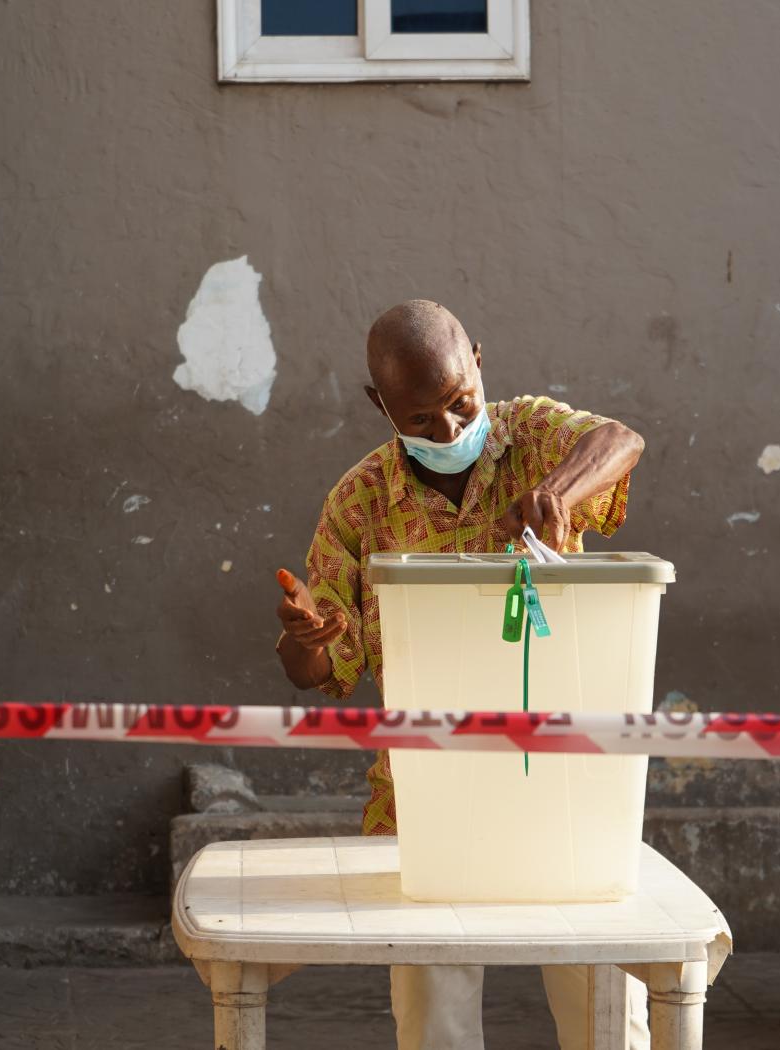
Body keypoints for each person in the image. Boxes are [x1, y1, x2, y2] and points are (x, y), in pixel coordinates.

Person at [272, 299, 648, 1050]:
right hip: (428, 789)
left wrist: (559, 494)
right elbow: (316, 670)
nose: (447, 429)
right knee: (435, 1014)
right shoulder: (357, 505)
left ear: (478, 359)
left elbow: (621, 439)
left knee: (606, 1008)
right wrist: (304, 640)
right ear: (380, 406)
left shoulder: (535, 434)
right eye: (419, 419)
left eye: (459, 402)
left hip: (563, 776)